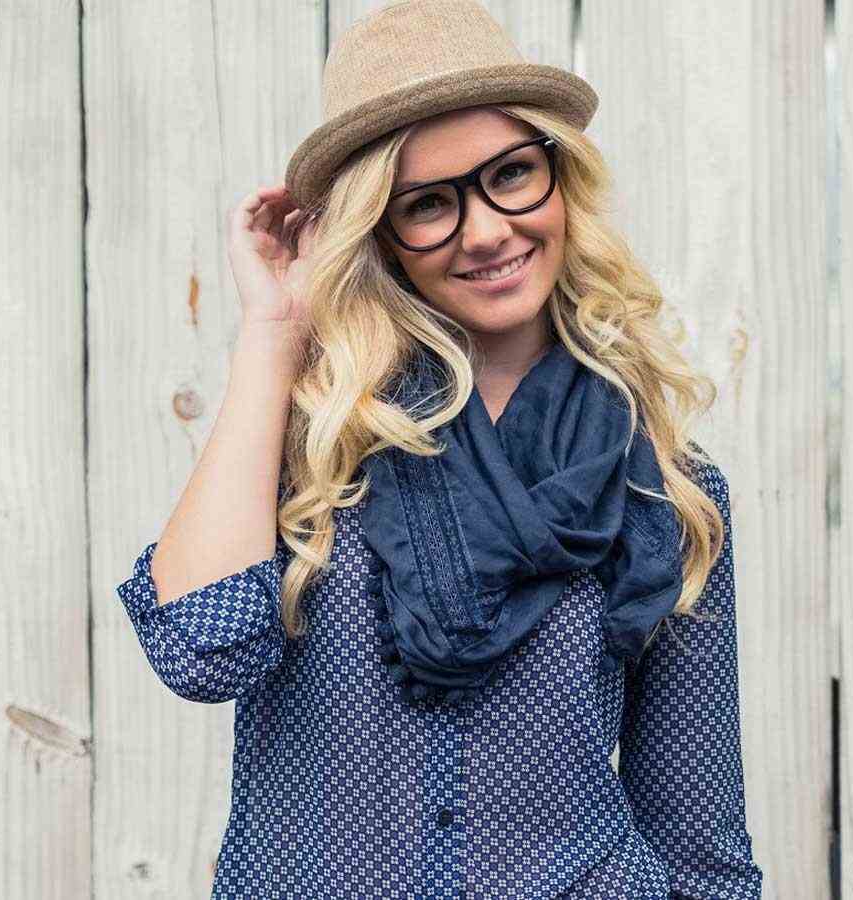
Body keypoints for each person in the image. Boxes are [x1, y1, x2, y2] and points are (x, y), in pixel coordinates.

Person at [112, 0, 764, 896]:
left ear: (560, 180)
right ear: (379, 233)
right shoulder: (308, 451)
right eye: (428, 204)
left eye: (512, 174)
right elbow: (200, 650)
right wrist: (274, 333)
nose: (487, 230)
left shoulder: (666, 489)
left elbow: (697, 838)